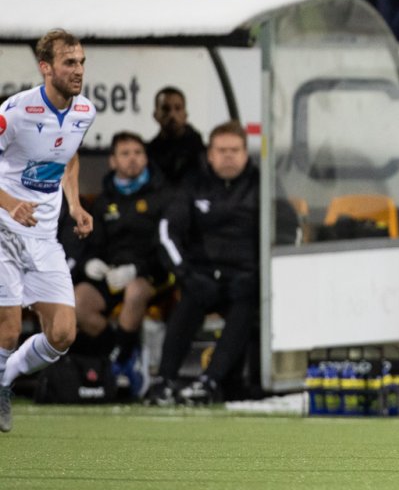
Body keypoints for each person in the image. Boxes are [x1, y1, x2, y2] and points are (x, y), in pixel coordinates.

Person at [0, 30, 97, 434]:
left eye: (81, 62)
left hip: (43, 237)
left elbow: (68, 158)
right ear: (46, 67)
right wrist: (10, 204)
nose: (78, 71)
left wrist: (74, 204)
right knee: (7, 329)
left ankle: (4, 381)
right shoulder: (15, 112)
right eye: (69, 63)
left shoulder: (85, 111)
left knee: (62, 333)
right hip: (4, 229)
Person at [147, 121, 261, 405]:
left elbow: (285, 232)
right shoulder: (193, 185)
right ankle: (164, 381)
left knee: (245, 306)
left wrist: (260, 274)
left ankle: (209, 382)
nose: (228, 156)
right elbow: (167, 231)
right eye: (221, 150)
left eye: (235, 150)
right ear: (210, 154)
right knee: (188, 302)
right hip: (202, 276)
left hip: (245, 279)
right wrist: (185, 274)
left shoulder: (262, 186)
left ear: (246, 153)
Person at [71, 131, 171, 396]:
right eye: (125, 154)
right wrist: (91, 263)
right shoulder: (104, 201)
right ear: (112, 161)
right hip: (111, 275)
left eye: (138, 153)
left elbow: (167, 247)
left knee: (135, 291)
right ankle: (124, 352)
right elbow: (92, 245)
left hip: (152, 275)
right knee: (79, 301)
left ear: (147, 158)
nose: (133, 160)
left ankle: (120, 358)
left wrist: (137, 270)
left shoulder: (163, 196)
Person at [147, 86, 206, 186]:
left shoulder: (201, 152)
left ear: (185, 114)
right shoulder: (148, 154)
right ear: (155, 115)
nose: (172, 115)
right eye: (166, 109)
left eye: (178, 108)